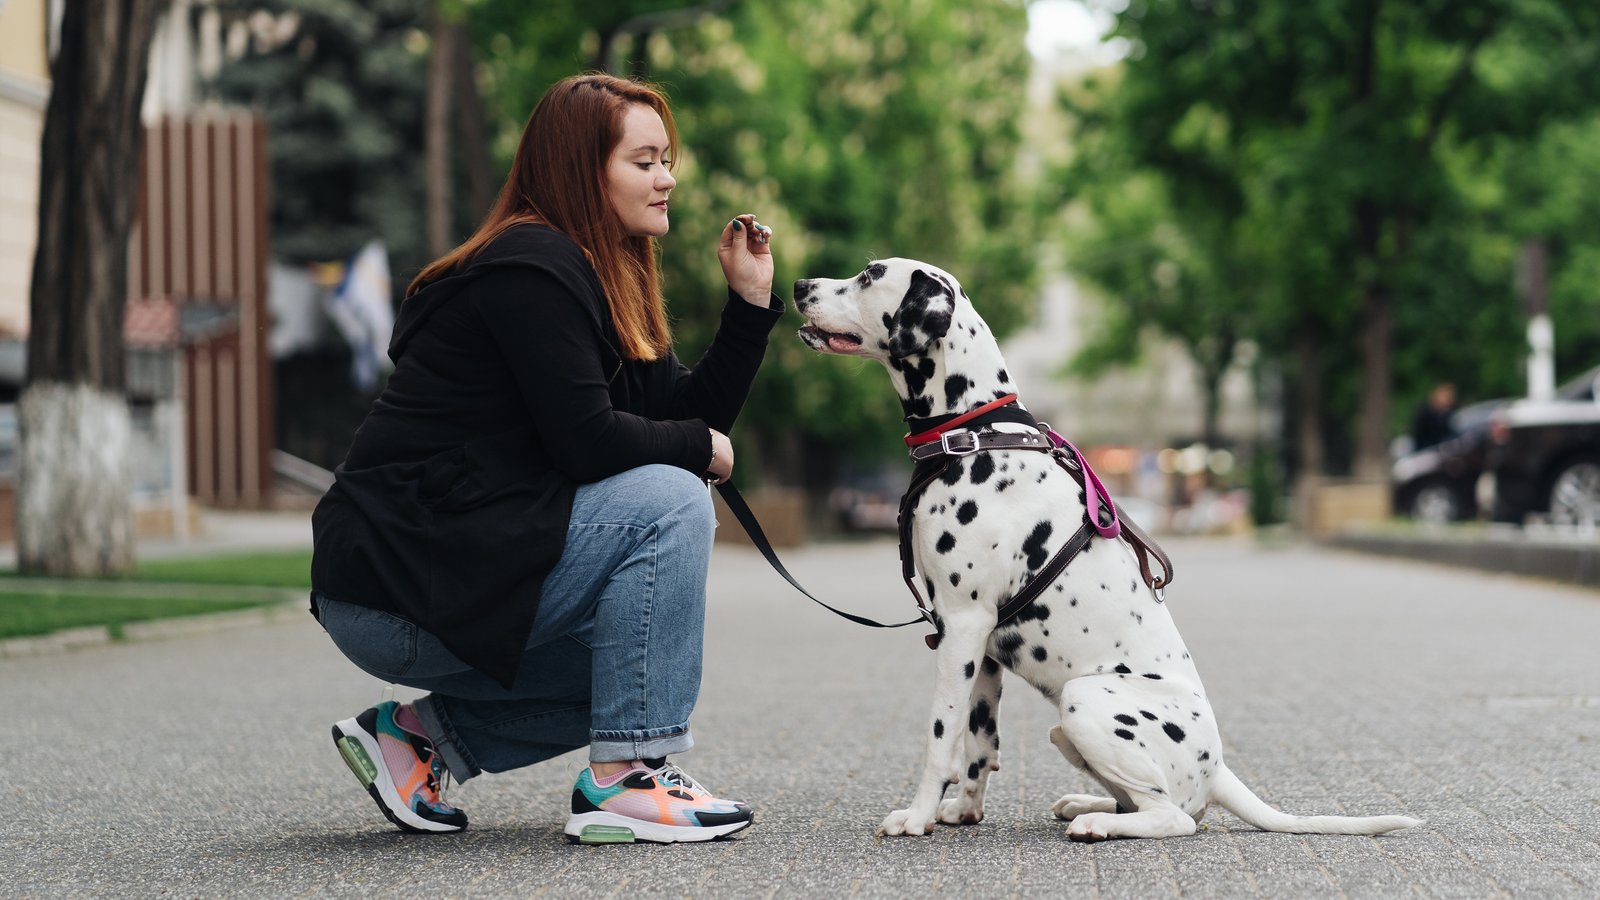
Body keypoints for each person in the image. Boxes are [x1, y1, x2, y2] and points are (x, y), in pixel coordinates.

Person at [309, 73, 782, 845]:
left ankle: (416, 742)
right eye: (645, 160)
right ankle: (628, 779)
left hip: (444, 571)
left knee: (638, 662)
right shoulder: (531, 268)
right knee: (670, 500)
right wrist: (697, 451)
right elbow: (590, 440)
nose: (668, 178)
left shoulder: (594, 276)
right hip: (398, 580)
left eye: (667, 159)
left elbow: (685, 415)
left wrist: (750, 307)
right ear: (581, 169)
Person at [1411, 382, 1458, 451]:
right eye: (1446, 396)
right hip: (1425, 450)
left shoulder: (1449, 414)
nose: (1449, 400)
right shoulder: (1425, 412)